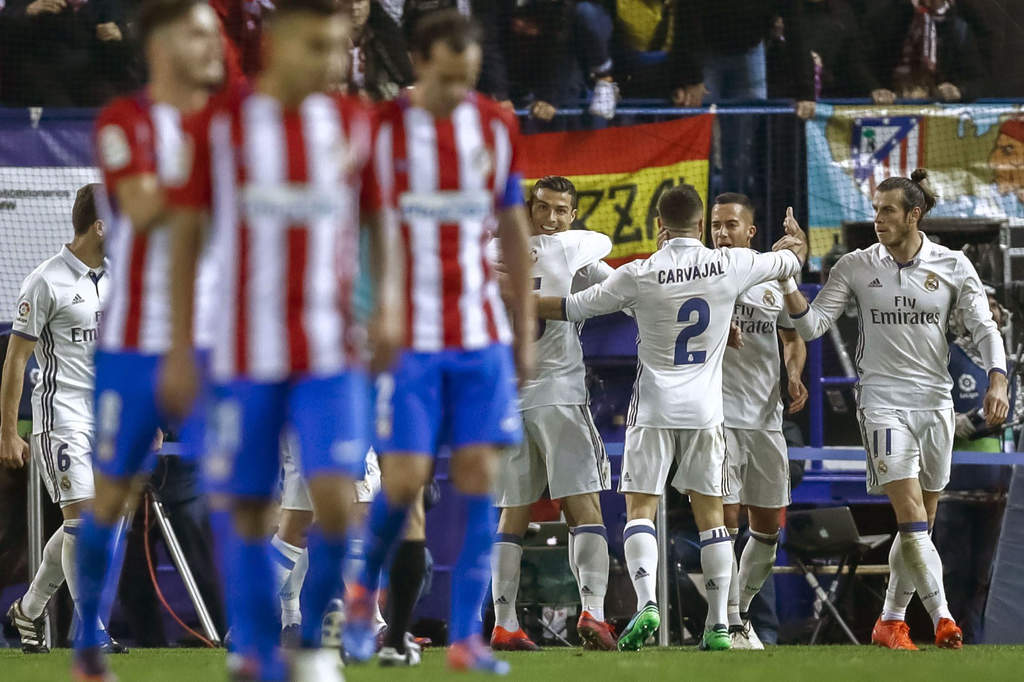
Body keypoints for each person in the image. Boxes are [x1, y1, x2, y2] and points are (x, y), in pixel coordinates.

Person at [160, 0, 403, 678]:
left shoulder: (355, 123)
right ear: (277, 42)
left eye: (339, 48)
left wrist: (386, 309)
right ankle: (257, 640)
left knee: (340, 501)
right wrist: (179, 344)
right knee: (247, 508)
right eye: (316, 45)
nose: (332, 62)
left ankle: (318, 641)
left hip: (331, 354)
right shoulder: (223, 125)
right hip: (246, 352)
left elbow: (380, 221)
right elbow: (185, 236)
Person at [342, 10, 535, 674]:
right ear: (419, 63)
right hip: (412, 339)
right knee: (402, 485)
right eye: (448, 77)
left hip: (480, 336)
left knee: (481, 481)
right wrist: (378, 313)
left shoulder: (495, 125)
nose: (459, 90)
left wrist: (523, 331)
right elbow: (370, 229)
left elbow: (514, 229)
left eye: (468, 77)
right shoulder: (384, 128)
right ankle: (362, 601)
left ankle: (465, 640)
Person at [535, 183, 807, 652]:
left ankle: (646, 603)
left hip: (653, 408)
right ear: (701, 225)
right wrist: (794, 247)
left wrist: (516, 295)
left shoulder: (640, 272)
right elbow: (786, 263)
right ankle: (720, 624)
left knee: (641, 509)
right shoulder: (731, 264)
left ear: (659, 224)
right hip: (706, 412)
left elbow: (572, 307)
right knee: (713, 519)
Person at [778, 169, 1009, 650]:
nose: (877, 219)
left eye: (887, 211)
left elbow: (984, 328)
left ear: (913, 215)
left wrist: (998, 377)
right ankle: (944, 618)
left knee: (921, 521)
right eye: (875, 210)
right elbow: (813, 325)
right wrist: (788, 278)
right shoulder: (855, 265)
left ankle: (890, 620)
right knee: (910, 514)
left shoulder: (952, 265)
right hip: (882, 402)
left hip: (936, 403)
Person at [70, 2, 225, 678]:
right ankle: (88, 638)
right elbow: (145, 209)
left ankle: (252, 644)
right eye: (197, 33)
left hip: (216, 342)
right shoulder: (124, 121)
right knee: (112, 497)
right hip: (135, 343)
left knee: (244, 493)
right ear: (160, 44)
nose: (213, 46)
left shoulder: (231, 121)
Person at [491, 176, 617, 652]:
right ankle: (594, 612)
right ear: (530, 208)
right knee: (583, 505)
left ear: (572, 213)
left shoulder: (490, 252)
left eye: (560, 210)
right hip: (559, 395)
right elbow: (614, 271)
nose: (550, 218)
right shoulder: (576, 247)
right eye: (543, 208)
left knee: (512, 512)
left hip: (507, 399)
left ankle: (504, 623)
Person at [0, 185, 124, 654]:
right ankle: (92, 629)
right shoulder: (44, 281)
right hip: (61, 417)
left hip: (106, 420)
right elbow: (15, 360)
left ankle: (29, 610)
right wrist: (8, 431)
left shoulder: (114, 279)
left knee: (97, 524)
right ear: (100, 226)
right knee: (84, 521)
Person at [707, 193, 807, 649]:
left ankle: (740, 613)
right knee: (725, 521)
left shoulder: (772, 277)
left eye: (731, 225)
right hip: (717, 418)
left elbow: (794, 337)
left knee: (767, 529)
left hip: (766, 419)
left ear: (750, 232)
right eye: (716, 225)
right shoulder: (702, 274)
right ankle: (724, 623)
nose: (722, 233)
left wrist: (793, 373)